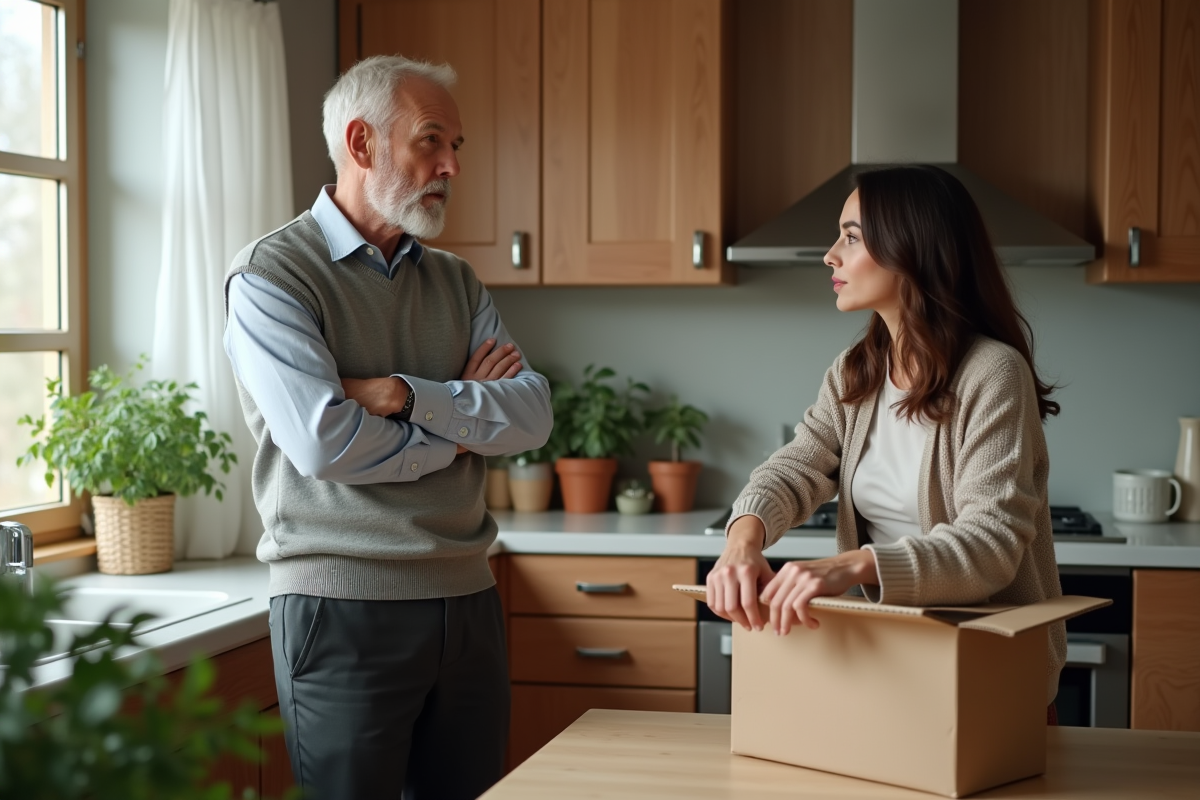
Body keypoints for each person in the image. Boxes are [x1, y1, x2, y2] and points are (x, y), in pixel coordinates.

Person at [222, 55, 552, 799]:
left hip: (467, 598)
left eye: (455, 148)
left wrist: (402, 396)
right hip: (341, 604)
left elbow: (530, 414)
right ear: (362, 143)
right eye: (431, 143)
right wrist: (465, 422)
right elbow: (324, 443)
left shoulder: (456, 281)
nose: (451, 167)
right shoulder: (273, 275)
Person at [706, 165, 1066, 720]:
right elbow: (796, 467)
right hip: (889, 662)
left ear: (912, 249)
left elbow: (990, 545)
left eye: (851, 237)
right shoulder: (857, 371)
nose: (830, 255)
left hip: (987, 673)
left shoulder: (993, 373)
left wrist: (851, 565)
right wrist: (742, 539)